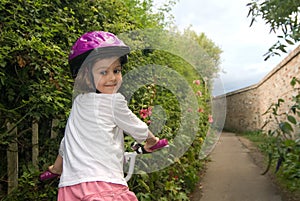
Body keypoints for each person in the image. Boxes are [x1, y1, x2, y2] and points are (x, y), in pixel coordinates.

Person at [41, 31, 161, 201]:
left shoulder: (79, 104)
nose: (112, 77)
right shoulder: (114, 102)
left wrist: (56, 168)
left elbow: (67, 141)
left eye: (116, 70)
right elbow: (137, 127)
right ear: (87, 78)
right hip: (104, 185)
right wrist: (151, 141)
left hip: (70, 189)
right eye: (103, 72)